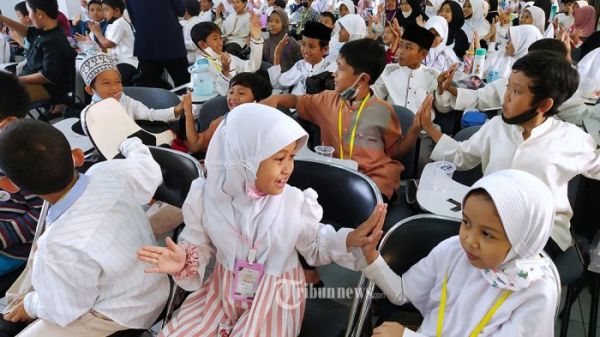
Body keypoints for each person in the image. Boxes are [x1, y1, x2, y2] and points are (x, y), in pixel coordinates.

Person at [138, 103, 388, 337]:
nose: (288, 168)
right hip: (222, 291)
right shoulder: (206, 196)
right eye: (279, 159)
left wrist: (348, 239)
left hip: (275, 299)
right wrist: (185, 258)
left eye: (291, 157)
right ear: (244, 158)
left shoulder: (294, 201)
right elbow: (199, 245)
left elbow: (315, 244)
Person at [420, 51, 600, 255]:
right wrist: (429, 127)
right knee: (451, 252)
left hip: (544, 233)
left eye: (516, 91)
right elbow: (462, 157)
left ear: (544, 105)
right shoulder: (495, 127)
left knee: (495, 260)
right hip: (491, 222)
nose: (505, 97)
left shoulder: (571, 139)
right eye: (508, 87)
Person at [0, 120, 169, 336]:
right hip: (152, 281)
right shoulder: (106, 171)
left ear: (12, 186)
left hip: (122, 313)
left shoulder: (59, 244)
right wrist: (131, 143)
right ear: (77, 156)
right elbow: (149, 171)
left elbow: (63, 310)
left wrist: (31, 304)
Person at [361, 170, 559, 337]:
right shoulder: (454, 250)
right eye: (466, 222)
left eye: (487, 234)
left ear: (522, 241)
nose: (469, 240)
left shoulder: (535, 291)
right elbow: (403, 292)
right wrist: (371, 257)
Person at [263, 38, 422, 201]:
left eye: (340, 68)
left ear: (363, 79)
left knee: (366, 204)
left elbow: (394, 152)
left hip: (374, 178)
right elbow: (297, 101)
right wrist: (276, 99)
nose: (334, 73)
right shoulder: (326, 100)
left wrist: (414, 130)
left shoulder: (383, 111)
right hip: (337, 173)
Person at [0, 73, 42, 288]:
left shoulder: (29, 162)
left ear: (7, 125)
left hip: (11, 248)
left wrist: (5, 234)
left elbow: (42, 215)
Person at [0, 0, 76, 118]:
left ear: (39, 14)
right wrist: (2, 18)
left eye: (29, 12)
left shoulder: (54, 41)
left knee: (6, 97)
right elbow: (26, 31)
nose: (29, 17)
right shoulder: (44, 31)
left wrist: (16, 79)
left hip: (49, 88)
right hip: (33, 80)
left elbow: (47, 76)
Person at [79, 53, 185, 122]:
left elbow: (150, 114)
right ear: (90, 90)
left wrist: (176, 110)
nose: (115, 88)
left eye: (118, 82)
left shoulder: (125, 100)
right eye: (106, 83)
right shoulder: (90, 116)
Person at [184, 72, 272, 153]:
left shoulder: (268, 126)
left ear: (259, 100)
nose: (233, 97)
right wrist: (188, 111)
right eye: (231, 92)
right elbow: (195, 146)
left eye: (241, 93)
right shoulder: (221, 123)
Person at [372, 25, 439, 117]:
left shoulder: (433, 75)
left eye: (408, 48)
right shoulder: (389, 71)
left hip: (421, 128)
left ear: (423, 54)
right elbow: (375, 93)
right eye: (401, 45)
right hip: (392, 125)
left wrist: (443, 88)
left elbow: (443, 108)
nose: (400, 52)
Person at [190, 19, 264, 96]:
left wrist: (256, 38)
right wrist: (225, 72)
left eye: (220, 38)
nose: (220, 42)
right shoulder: (200, 68)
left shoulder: (225, 56)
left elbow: (251, 67)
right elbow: (217, 94)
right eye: (215, 39)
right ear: (202, 44)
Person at [126, 0, 190, 88]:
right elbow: (181, 10)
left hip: (146, 42)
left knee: (149, 88)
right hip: (171, 42)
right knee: (184, 84)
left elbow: (133, 18)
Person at [268, 21, 336, 95]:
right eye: (303, 44)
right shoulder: (299, 66)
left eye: (311, 46)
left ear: (325, 49)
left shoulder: (331, 69)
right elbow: (277, 84)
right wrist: (277, 54)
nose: (305, 50)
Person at [88, 0, 138, 87]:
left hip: (127, 62)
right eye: (103, 10)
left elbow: (108, 44)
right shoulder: (111, 25)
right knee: (95, 76)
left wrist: (97, 33)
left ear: (117, 11)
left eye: (106, 10)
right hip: (116, 62)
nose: (104, 13)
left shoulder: (120, 23)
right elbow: (104, 47)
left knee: (109, 81)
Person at [181, 0, 203, 64]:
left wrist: (179, 43)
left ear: (186, 10)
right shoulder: (187, 21)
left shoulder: (196, 24)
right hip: (186, 57)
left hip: (193, 60)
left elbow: (194, 44)